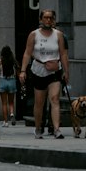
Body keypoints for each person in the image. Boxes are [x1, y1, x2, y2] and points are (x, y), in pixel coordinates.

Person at [20, 8, 70, 139]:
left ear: (54, 20)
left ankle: (57, 129)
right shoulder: (34, 35)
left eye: (51, 18)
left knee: (54, 99)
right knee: (39, 102)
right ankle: (38, 128)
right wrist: (23, 70)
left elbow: (63, 54)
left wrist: (66, 71)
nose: (48, 20)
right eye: (46, 17)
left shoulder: (58, 35)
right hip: (39, 70)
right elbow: (27, 53)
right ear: (41, 19)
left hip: (54, 70)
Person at [0, 45, 19, 127]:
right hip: (11, 81)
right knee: (11, 102)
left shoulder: (0, 61)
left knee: (4, 103)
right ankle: (11, 113)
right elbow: (18, 69)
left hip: (2, 81)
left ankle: (5, 122)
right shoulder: (13, 61)